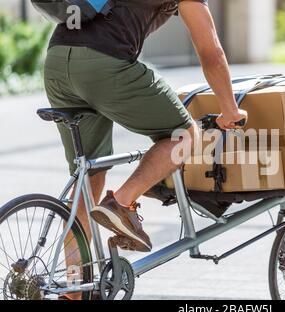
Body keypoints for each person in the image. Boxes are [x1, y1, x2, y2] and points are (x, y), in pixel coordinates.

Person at [44, 0, 248, 259]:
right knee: (184, 134)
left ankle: (74, 288)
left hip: (57, 61)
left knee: (88, 177)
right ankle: (120, 202)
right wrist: (230, 109)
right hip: (103, 62)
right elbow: (211, 52)